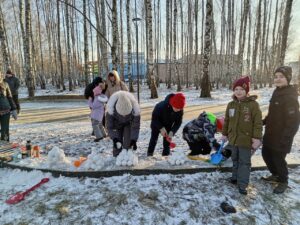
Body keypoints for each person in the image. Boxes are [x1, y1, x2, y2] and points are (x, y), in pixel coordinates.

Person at [261, 66, 300, 194]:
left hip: (282, 136)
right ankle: (275, 174)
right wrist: (263, 122)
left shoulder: (290, 96)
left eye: (281, 77)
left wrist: (286, 138)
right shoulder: (277, 91)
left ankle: (283, 181)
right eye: (276, 76)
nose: (278, 79)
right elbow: (273, 113)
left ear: (288, 78)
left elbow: (293, 121)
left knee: (278, 159)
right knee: (266, 154)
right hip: (270, 133)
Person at [221, 76, 262, 195]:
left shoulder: (253, 105)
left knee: (244, 162)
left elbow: (257, 123)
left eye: (241, 89)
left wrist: (256, 138)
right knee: (235, 159)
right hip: (233, 139)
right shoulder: (231, 105)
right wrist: (224, 134)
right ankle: (234, 178)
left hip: (246, 140)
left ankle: (243, 184)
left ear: (246, 91)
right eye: (236, 89)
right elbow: (227, 120)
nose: (238, 91)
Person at [106, 91, 140, 157]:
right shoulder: (110, 111)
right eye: (122, 114)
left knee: (128, 143)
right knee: (117, 143)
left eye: (126, 114)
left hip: (128, 124)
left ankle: (127, 156)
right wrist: (114, 138)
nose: (124, 116)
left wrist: (133, 139)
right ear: (116, 109)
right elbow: (110, 127)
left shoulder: (135, 111)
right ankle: (116, 157)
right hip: (116, 125)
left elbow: (135, 126)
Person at [0, 72, 18, 141]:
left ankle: (5, 147)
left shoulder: (5, 84)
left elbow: (9, 97)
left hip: (5, 111)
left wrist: (14, 109)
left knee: (5, 131)